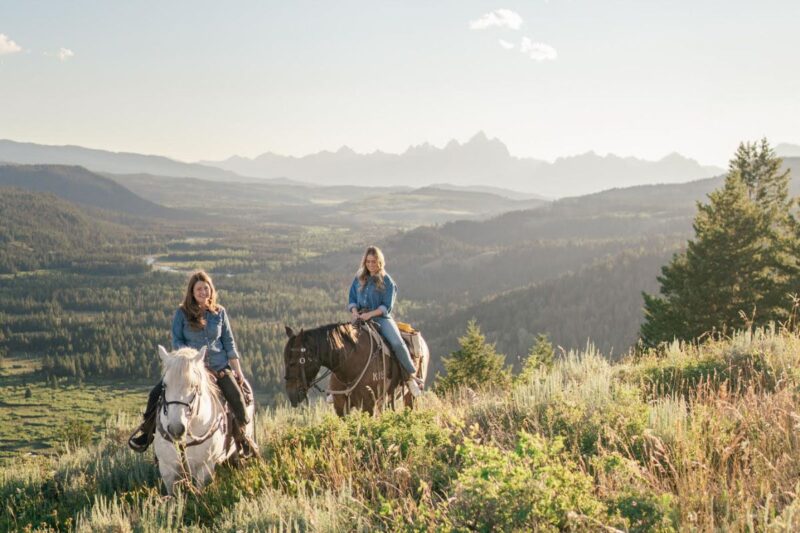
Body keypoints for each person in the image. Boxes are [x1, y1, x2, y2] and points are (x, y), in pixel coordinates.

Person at [129, 270, 256, 457]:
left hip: (219, 367)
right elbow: (177, 341)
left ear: (211, 290)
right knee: (155, 394)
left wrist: (238, 371)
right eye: (199, 289)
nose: (203, 292)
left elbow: (228, 342)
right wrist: (191, 359)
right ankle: (147, 434)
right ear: (192, 292)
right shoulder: (182, 313)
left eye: (206, 288)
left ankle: (242, 438)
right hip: (190, 368)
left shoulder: (220, 313)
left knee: (237, 399)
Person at [347, 246, 422, 397]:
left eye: (374, 262)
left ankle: (409, 377)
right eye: (368, 261)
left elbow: (386, 306)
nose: (370, 265)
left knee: (397, 344)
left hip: (380, 317)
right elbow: (352, 299)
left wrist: (370, 315)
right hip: (360, 317)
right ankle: (341, 385)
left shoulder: (387, 281)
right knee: (343, 344)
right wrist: (355, 312)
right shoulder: (359, 277)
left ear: (380, 262)